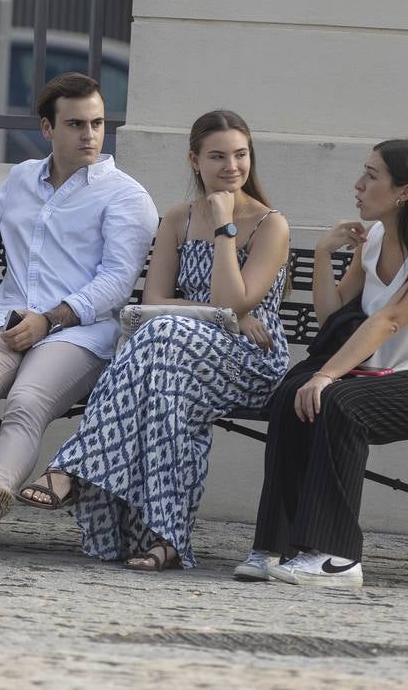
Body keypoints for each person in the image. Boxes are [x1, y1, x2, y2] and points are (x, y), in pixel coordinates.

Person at [20, 110, 291, 571]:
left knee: (162, 335)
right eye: (218, 156)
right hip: (174, 355)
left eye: (241, 155)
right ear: (195, 160)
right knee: (167, 383)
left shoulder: (270, 224)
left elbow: (230, 301)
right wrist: (222, 315)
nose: (231, 166)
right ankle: (164, 539)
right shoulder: (178, 219)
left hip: (248, 361)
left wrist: (224, 228)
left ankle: (73, 468)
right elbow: (156, 301)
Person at [0, 73, 159, 560]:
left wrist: (49, 320)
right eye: (76, 124)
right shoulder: (22, 178)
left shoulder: (127, 197)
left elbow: (117, 283)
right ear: (47, 128)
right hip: (7, 320)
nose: (90, 135)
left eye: (97, 123)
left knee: (27, 402)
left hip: (80, 332)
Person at [239, 139, 408, 587]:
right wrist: (324, 255)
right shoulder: (374, 240)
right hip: (376, 377)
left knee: (338, 403)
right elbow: (332, 317)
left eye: (371, 176)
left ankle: (337, 557)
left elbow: (391, 318)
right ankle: (276, 546)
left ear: (404, 191)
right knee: (292, 394)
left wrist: (327, 375)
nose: (358, 184)